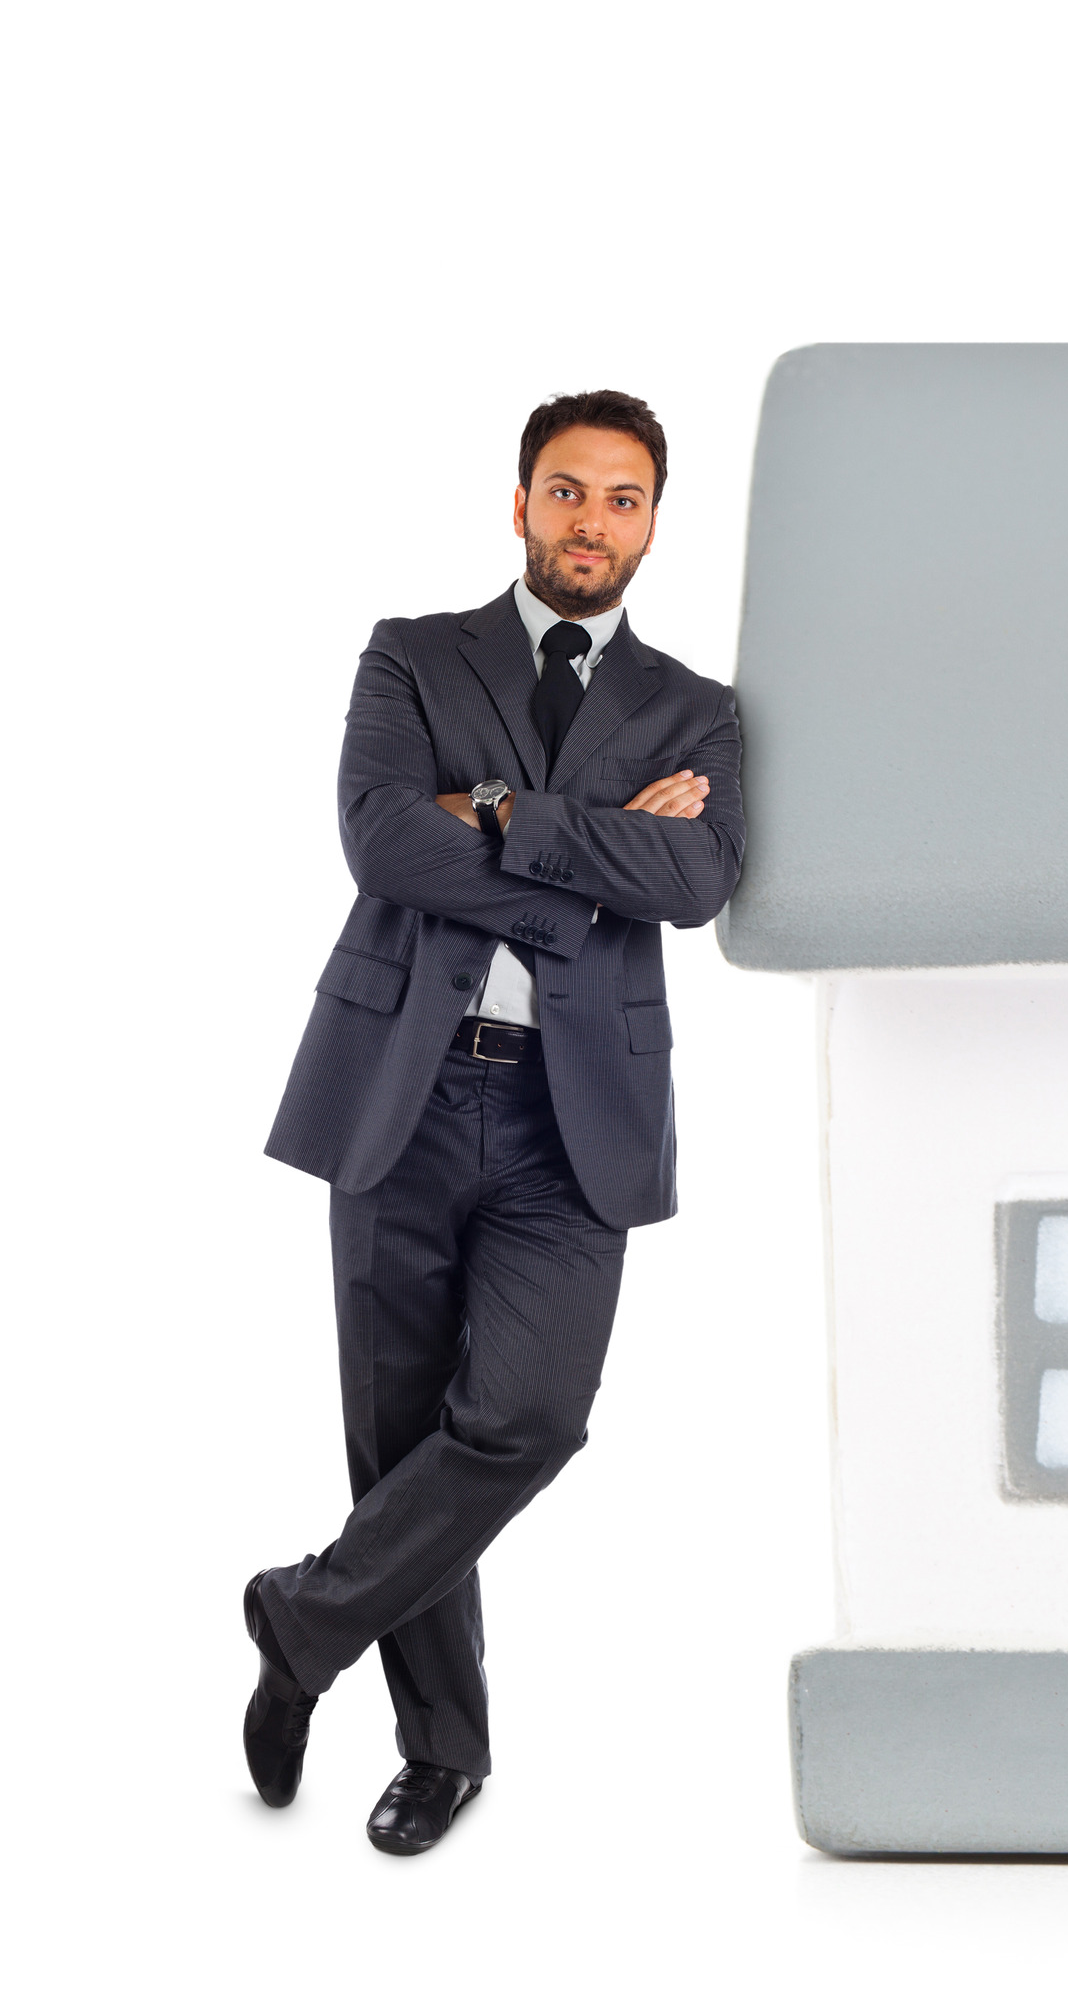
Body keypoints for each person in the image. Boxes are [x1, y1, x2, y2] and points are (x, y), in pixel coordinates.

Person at [246, 390, 744, 1854]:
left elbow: (698, 882)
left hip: (570, 1114)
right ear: (522, 504)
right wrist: (602, 849)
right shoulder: (412, 654)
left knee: (528, 1419)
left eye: (624, 498)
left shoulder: (698, 710)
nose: (593, 521)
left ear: (653, 524)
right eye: (568, 491)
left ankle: (302, 1619)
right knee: (401, 1436)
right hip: (401, 1082)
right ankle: (442, 1752)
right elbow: (384, 842)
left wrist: (504, 814)